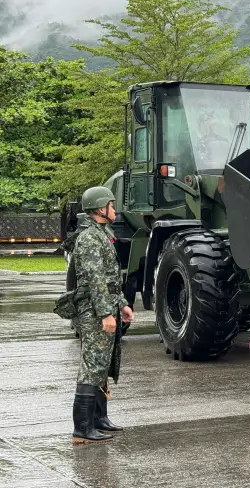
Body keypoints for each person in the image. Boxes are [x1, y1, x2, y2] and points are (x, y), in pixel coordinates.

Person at [70, 186, 134, 444]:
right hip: (94, 310)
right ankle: (82, 428)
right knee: (93, 364)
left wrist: (122, 304)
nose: (114, 209)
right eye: (111, 205)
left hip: (105, 304)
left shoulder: (102, 234)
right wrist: (106, 313)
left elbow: (110, 279)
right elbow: (96, 280)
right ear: (99, 209)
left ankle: (98, 419)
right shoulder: (89, 239)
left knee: (103, 364)